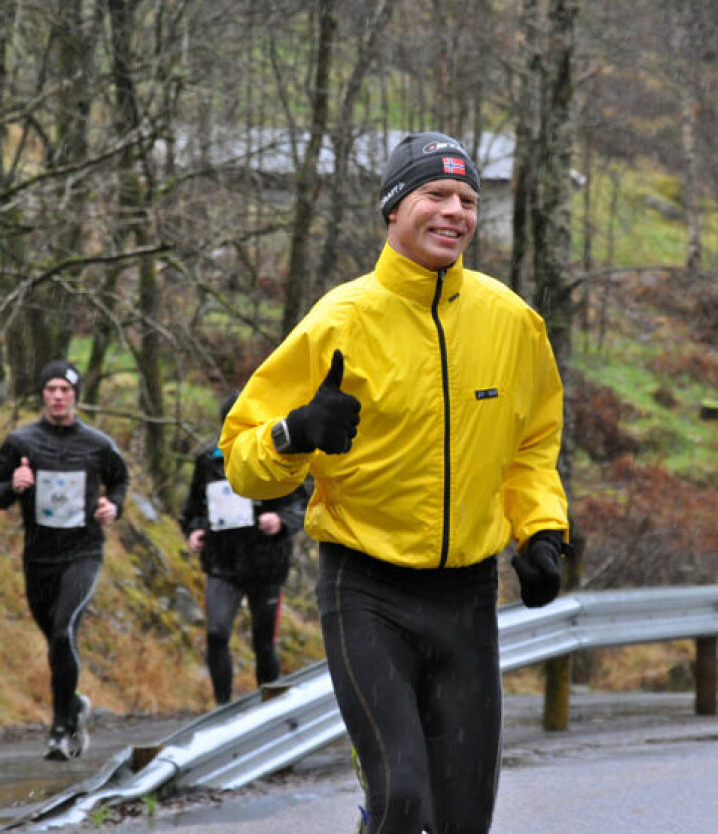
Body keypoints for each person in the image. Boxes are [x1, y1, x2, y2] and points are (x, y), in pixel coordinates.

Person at [219, 132, 569, 833]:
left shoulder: (512, 322)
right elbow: (241, 457)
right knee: (402, 798)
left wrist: (541, 531)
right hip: (367, 592)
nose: (454, 212)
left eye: (467, 199)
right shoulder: (340, 320)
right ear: (393, 209)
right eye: (434, 195)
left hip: (467, 597)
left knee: (464, 822)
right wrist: (296, 433)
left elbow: (532, 447)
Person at [0, 360, 129, 761]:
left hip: (83, 553)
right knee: (55, 645)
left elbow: (120, 479)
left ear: (76, 396)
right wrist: (13, 486)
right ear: (42, 395)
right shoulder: (21, 442)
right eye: (51, 390)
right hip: (39, 557)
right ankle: (74, 706)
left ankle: (61, 730)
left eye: (65, 390)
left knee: (65, 632)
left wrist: (112, 506)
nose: (58, 396)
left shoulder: (97, 444)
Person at [180, 391, 308, 706]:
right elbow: (193, 508)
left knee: (264, 643)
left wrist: (280, 520)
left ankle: (272, 712)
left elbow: (303, 503)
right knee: (217, 634)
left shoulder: (279, 453)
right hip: (222, 563)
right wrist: (195, 530)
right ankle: (223, 708)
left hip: (267, 564)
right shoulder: (207, 460)